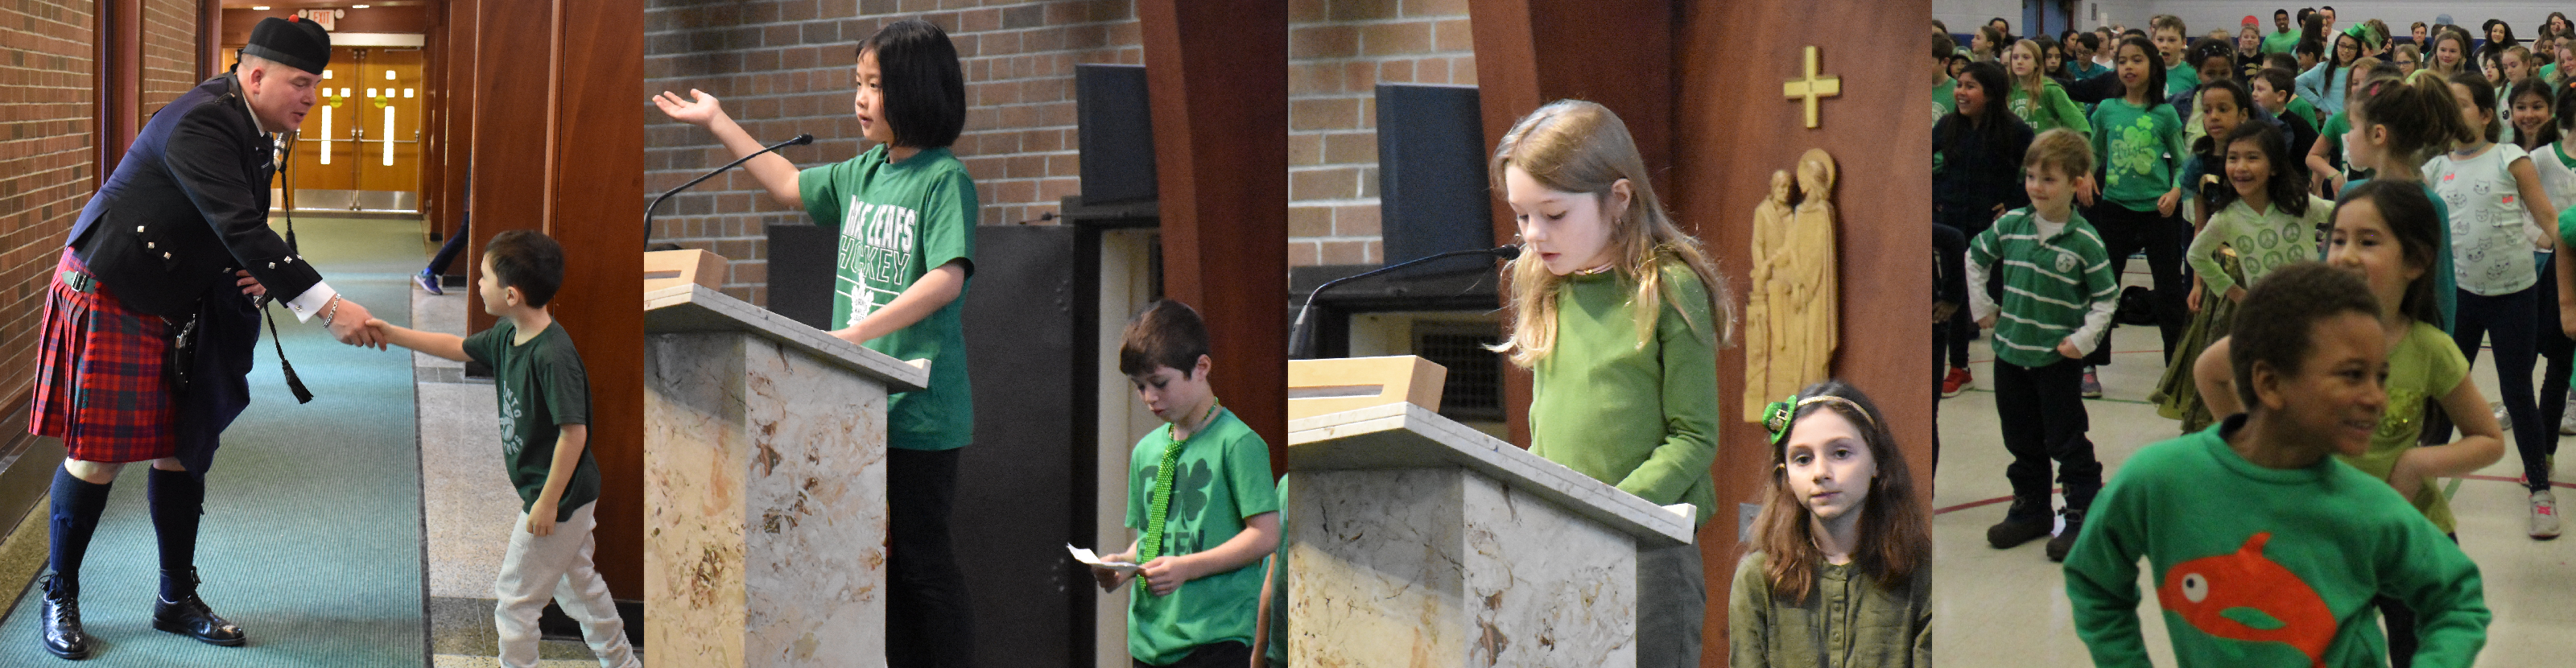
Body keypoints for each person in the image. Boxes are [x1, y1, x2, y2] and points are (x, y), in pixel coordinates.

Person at [26, 16, 390, 659]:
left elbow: (233, 223)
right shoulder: (201, 120)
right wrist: (328, 308)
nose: (310, 96)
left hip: (180, 293)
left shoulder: (254, 127)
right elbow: (237, 223)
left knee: (184, 444)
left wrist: (242, 264)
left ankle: (175, 598)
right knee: (98, 454)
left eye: (316, 85)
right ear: (255, 75)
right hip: (115, 287)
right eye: (300, 83)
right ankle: (61, 593)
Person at [653, 18, 980, 665]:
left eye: (875, 85)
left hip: (921, 408)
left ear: (916, 90)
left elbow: (947, 277)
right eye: (857, 83)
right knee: (866, 558)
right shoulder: (862, 173)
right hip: (856, 405)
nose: (859, 98)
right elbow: (784, 183)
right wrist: (720, 121)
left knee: (921, 562)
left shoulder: (944, 180)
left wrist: (859, 333)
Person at [2068, 260, 2491, 668]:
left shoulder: (2369, 506)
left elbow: (2458, 599)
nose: (2377, 397)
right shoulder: (2159, 479)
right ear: (2269, 383)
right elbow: (2094, 578)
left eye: (2380, 376)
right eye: (2351, 375)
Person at [2202, 179, 2509, 667]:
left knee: (2420, 648)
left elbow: (2489, 440)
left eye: (2368, 242)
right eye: (2337, 239)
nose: (2344, 255)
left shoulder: (2430, 348)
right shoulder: (2296, 333)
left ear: (2415, 262)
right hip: (2319, 536)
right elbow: (2211, 373)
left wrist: (2414, 464)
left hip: (2410, 533)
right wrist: (2258, 451)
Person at [1490, 99, 1732, 667]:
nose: (1532, 235)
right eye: (1521, 216)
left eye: (1552, 214)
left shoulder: (1670, 287)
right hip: (1559, 543)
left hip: (1648, 547)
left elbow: (1694, 438)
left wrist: (1608, 512)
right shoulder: (1546, 283)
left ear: (1618, 199)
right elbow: (1546, 432)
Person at [364, 231, 638, 668]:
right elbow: (457, 347)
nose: (476, 283)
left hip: (559, 499)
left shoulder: (552, 355)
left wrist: (547, 504)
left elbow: (575, 433)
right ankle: (623, 662)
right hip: (560, 495)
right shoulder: (507, 335)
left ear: (511, 294)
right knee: (578, 587)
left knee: (514, 602)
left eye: (483, 277)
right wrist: (393, 334)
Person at [1085, 300, 1278, 668]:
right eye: (1139, 386)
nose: (1149, 398)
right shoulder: (1146, 451)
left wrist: (1187, 567)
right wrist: (1124, 564)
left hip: (1216, 637)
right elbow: (1155, 534)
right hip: (1150, 639)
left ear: (1201, 367)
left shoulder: (1238, 443)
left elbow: (1265, 536)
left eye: (1159, 383)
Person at [2426, 71, 2563, 538]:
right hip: (2460, 298)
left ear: (2486, 115)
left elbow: (2548, 217)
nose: (2453, 113)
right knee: (2446, 389)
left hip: (2515, 297)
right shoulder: (2435, 169)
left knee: (2518, 392)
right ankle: (2421, 486)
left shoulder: (2512, 157)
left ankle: (2540, 492)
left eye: (2462, 104)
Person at [1972, 128, 2118, 562]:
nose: (2036, 186)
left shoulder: (2084, 241)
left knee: (2065, 438)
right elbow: (1975, 258)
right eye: (2032, 176)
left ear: (2076, 183)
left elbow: (2106, 298)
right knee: (2020, 436)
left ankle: (2081, 510)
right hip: (2010, 354)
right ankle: (2031, 507)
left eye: (2048, 179)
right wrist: (1984, 307)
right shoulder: (2012, 225)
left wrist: (2083, 340)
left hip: (2057, 359)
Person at [1728, 381, 1930, 668]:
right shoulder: (1756, 578)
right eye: (1803, 459)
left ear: (1877, 462)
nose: (1821, 472)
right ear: (1785, 476)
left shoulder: (1921, 572)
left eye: (1841, 453)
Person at [2155, 122, 2330, 433]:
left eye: (2252, 157)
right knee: (2213, 372)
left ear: (2275, 166)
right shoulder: (2228, 217)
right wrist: (2235, 293)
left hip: (2311, 318)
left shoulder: (2298, 205)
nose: (2240, 167)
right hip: (2264, 320)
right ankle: (2246, 439)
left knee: (2304, 392)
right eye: (2233, 158)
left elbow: (2341, 217)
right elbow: (2196, 255)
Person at [2083, 36, 2190, 393]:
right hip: (2114, 209)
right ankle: (2090, 367)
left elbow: (2182, 162)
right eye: (2122, 60)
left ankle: (2174, 369)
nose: (2128, 67)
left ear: (2153, 67)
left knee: (2170, 290)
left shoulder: (2165, 113)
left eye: (2137, 60)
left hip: (2159, 212)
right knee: (2104, 287)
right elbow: (2094, 154)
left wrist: (2176, 192)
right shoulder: (2107, 109)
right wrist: (2084, 175)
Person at [1937, 61, 2034, 398]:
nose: (1960, 92)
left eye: (1969, 86)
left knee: (2004, 295)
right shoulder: (1948, 126)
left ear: (1991, 95)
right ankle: (1959, 367)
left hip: (1995, 230)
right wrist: (1936, 197)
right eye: (1959, 85)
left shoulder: (2015, 130)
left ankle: (2019, 363)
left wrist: (2015, 202)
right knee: (1956, 297)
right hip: (1954, 226)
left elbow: (2037, 171)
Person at [2007, 39, 2090, 137]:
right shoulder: (2008, 91)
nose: (2019, 62)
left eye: (2026, 57)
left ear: (2037, 62)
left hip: (2046, 150)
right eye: (2015, 57)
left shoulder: (2051, 89)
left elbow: (2081, 126)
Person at [2250, 68, 2321, 159]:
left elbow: (2320, 152)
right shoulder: (2251, 120)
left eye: (2260, 89)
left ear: (2280, 96)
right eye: (2254, 89)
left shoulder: (2297, 124)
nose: (2254, 94)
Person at [2153, 15, 2201, 97]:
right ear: (2153, 41)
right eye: (2160, 40)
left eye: (2172, 40)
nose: (2165, 45)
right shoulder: (2147, 72)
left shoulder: (2193, 73)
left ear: (2183, 43)